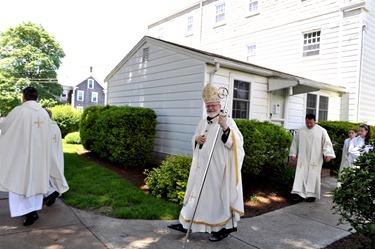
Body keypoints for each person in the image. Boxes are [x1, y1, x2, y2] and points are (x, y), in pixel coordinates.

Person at [168, 83, 245, 242]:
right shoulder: (202, 122)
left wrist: (224, 127)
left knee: (218, 199)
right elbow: (195, 138)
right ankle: (186, 223)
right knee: (197, 196)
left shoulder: (228, 121)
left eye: (213, 105)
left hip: (219, 169)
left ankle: (222, 229)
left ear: (219, 105)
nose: (210, 108)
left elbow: (237, 144)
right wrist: (196, 139)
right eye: (208, 106)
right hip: (202, 168)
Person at [0, 86, 51, 226]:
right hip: (39, 156)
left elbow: (5, 128)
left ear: (24, 96)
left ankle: (28, 212)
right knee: (35, 180)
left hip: (22, 155)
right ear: (36, 97)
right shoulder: (44, 113)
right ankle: (33, 210)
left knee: (20, 181)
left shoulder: (19, 110)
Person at [289, 113, 335, 203]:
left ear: (315, 121)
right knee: (301, 174)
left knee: (313, 175)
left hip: (315, 158)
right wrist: (293, 154)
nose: (309, 125)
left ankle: (312, 195)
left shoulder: (321, 131)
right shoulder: (301, 131)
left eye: (311, 123)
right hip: (303, 158)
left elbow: (327, 143)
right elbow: (295, 143)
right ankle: (299, 194)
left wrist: (328, 154)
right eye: (307, 122)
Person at [43, 109, 69, 207]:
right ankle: (49, 192)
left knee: (44, 174)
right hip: (55, 152)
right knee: (52, 173)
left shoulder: (44, 126)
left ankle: (51, 192)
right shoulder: (55, 126)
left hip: (46, 153)